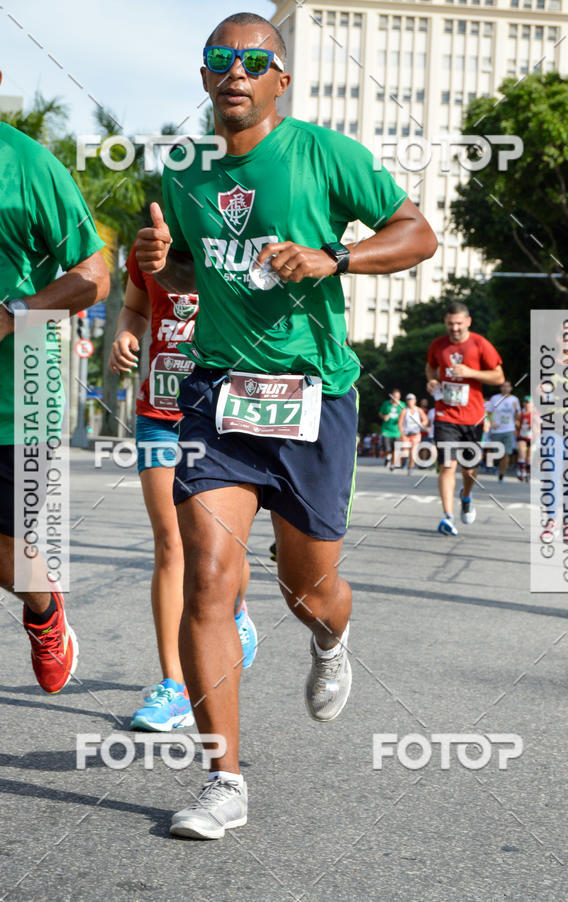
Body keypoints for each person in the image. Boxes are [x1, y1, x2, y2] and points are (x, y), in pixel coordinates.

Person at [135, 12, 437, 839]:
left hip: (313, 395)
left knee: (308, 589)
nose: (234, 71)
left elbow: (418, 234)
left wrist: (334, 258)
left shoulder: (326, 155)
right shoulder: (183, 172)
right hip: (218, 393)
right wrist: (163, 265)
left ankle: (331, 639)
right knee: (208, 578)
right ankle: (222, 780)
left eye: (252, 60)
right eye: (219, 58)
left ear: (281, 79)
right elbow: (197, 265)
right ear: (204, 76)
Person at [109, 246, 258, 731]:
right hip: (160, 414)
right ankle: (175, 686)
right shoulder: (147, 251)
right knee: (171, 543)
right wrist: (126, 334)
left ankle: (234, 610)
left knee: (223, 547)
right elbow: (134, 308)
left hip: (222, 415)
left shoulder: (234, 244)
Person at [0, 83, 110, 693]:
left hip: (19, 399)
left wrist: (13, 313)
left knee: (10, 549)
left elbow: (93, 277)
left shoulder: (28, 165)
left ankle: (44, 611)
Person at [426, 301, 504, 535]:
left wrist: (471, 372)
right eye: (450, 323)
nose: (455, 328)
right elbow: (430, 367)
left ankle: (466, 495)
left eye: (459, 323)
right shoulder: (438, 345)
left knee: (469, 470)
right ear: (445, 323)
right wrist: (432, 381)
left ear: (468, 321)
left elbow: (499, 377)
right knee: (447, 465)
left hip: (473, 417)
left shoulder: (480, 344)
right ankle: (447, 517)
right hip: (445, 414)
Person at [486, 380, 521, 482]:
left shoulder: (515, 399)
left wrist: (516, 410)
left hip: (509, 429)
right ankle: (496, 466)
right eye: (503, 386)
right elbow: (488, 412)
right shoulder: (495, 398)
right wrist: (492, 423)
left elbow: (518, 417)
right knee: (498, 454)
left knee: (507, 453)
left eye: (508, 386)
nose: (506, 388)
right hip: (497, 430)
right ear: (500, 388)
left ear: (511, 388)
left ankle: (501, 473)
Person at [398, 394, 428, 474]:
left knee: (413, 452)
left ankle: (410, 467)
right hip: (406, 434)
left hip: (416, 434)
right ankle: (403, 461)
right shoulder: (404, 411)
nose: (410, 401)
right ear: (406, 401)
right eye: (409, 400)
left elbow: (425, 420)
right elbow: (400, 423)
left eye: (412, 400)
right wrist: (402, 434)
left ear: (415, 401)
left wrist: (421, 424)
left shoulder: (419, 410)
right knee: (405, 452)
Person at [378, 389, 405, 470]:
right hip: (386, 431)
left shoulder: (402, 405)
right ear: (391, 396)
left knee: (395, 449)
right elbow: (380, 413)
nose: (395, 398)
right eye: (394, 397)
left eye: (397, 397)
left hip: (397, 431)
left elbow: (405, 416)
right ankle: (388, 457)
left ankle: (392, 464)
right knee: (387, 448)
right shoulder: (386, 404)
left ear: (399, 397)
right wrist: (384, 417)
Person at [516, 395, 538, 482]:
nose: (527, 404)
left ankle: (528, 472)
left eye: (529, 403)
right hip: (522, 435)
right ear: (523, 403)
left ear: (532, 404)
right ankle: (522, 471)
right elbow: (517, 422)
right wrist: (517, 424)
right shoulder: (520, 412)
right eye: (526, 403)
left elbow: (539, 426)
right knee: (522, 451)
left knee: (529, 456)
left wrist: (534, 428)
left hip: (531, 436)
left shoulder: (535, 413)